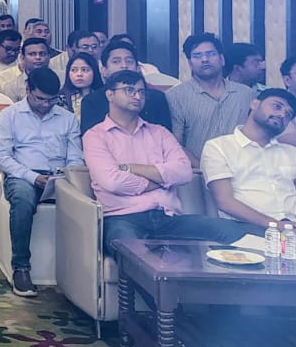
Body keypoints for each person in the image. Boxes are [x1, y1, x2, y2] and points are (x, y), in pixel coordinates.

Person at [81, 70, 242, 251]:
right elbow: (112, 182)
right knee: (130, 252)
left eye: (141, 92)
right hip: (122, 218)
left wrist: (131, 168)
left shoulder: (159, 132)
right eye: (129, 90)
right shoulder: (95, 136)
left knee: (230, 231)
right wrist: (160, 182)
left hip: (167, 217)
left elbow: (184, 172)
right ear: (110, 95)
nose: (137, 96)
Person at [0, 68, 84, 297]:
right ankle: (21, 268)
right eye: (40, 99)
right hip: (23, 175)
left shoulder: (67, 118)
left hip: (60, 177)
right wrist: (33, 177)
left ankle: (79, 271)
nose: (45, 105)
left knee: (85, 203)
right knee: (23, 201)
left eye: (51, 100)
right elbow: (2, 157)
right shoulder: (10, 115)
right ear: (28, 90)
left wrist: (63, 177)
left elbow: (75, 158)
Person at [201, 88, 296, 239]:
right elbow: (225, 201)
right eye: (277, 106)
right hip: (245, 228)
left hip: (295, 228)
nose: (282, 114)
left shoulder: (293, 153)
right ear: (254, 104)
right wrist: (277, 226)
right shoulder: (219, 147)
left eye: (288, 114)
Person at [168, 33, 255, 164]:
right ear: (190, 63)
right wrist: (204, 169)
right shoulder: (175, 96)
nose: (204, 59)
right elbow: (175, 144)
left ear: (222, 59)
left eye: (210, 54)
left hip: (243, 167)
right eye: (197, 56)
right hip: (197, 170)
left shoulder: (246, 93)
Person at [77, 40, 173, 132]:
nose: (124, 66)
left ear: (138, 69)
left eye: (129, 61)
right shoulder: (92, 101)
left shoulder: (156, 98)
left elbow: (166, 135)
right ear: (104, 70)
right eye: (116, 61)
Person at [59, 52, 103, 121]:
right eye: (74, 70)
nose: (79, 74)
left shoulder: (104, 96)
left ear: (94, 72)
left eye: (84, 70)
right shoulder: (61, 99)